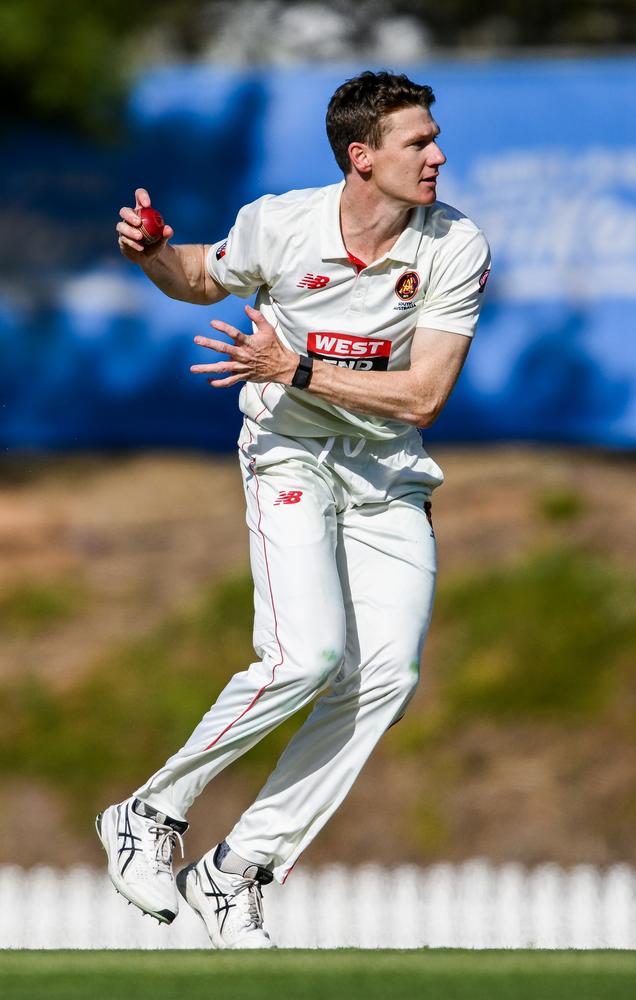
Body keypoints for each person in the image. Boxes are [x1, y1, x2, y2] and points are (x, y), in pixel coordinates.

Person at [96, 70, 490, 949]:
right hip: (289, 456)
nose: (438, 155)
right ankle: (149, 815)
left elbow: (424, 397)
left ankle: (239, 869)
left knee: (386, 677)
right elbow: (202, 276)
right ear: (363, 157)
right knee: (305, 656)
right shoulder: (282, 222)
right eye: (418, 143)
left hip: (387, 474)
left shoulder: (453, 244)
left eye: (433, 138)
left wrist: (299, 368)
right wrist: (154, 249)